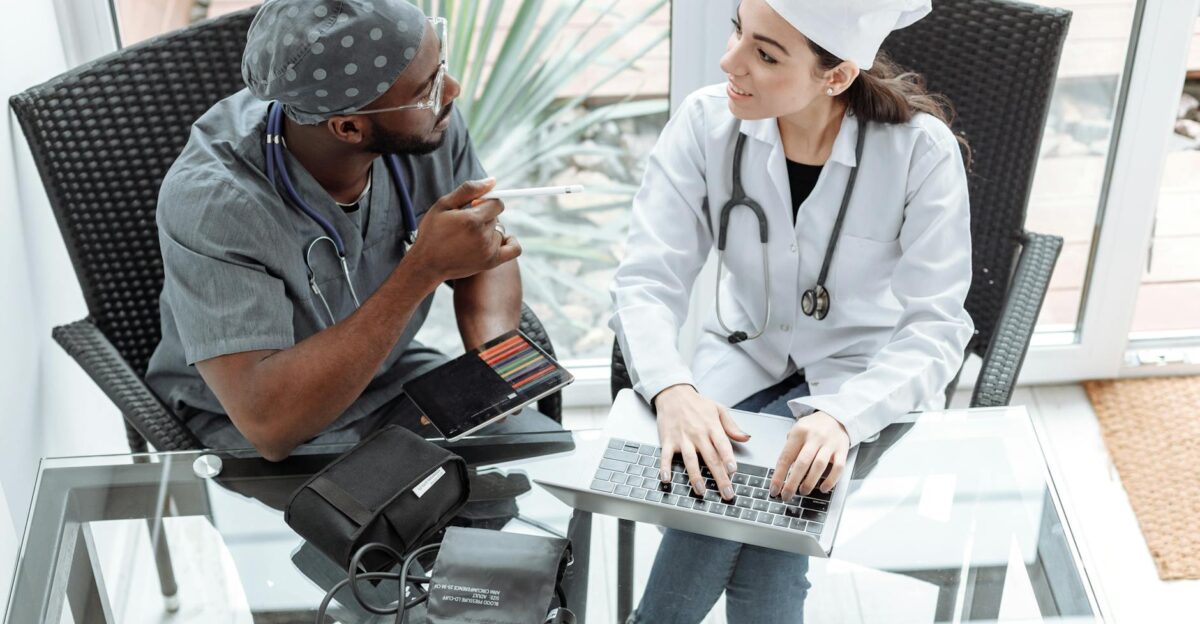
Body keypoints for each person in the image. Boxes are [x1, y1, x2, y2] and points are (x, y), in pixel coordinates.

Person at [609, 0, 974, 621]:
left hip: (866, 383)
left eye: (765, 53)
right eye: (738, 33)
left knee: (734, 507)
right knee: (758, 513)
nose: (730, 62)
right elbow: (647, 278)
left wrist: (842, 416)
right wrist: (673, 390)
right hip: (739, 363)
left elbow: (938, 327)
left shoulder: (920, 152)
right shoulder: (704, 124)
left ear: (835, 77)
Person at [145, 0, 523, 461]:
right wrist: (421, 271)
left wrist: (497, 361)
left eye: (440, 66)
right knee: (405, 524)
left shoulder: (426, 120)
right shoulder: (216, 202)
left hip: (392, 378)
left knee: (520, 480)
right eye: (429, 86)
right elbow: (270, 425)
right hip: (260, 427)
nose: (451, 91)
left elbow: (482, 245)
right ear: (348, 127)